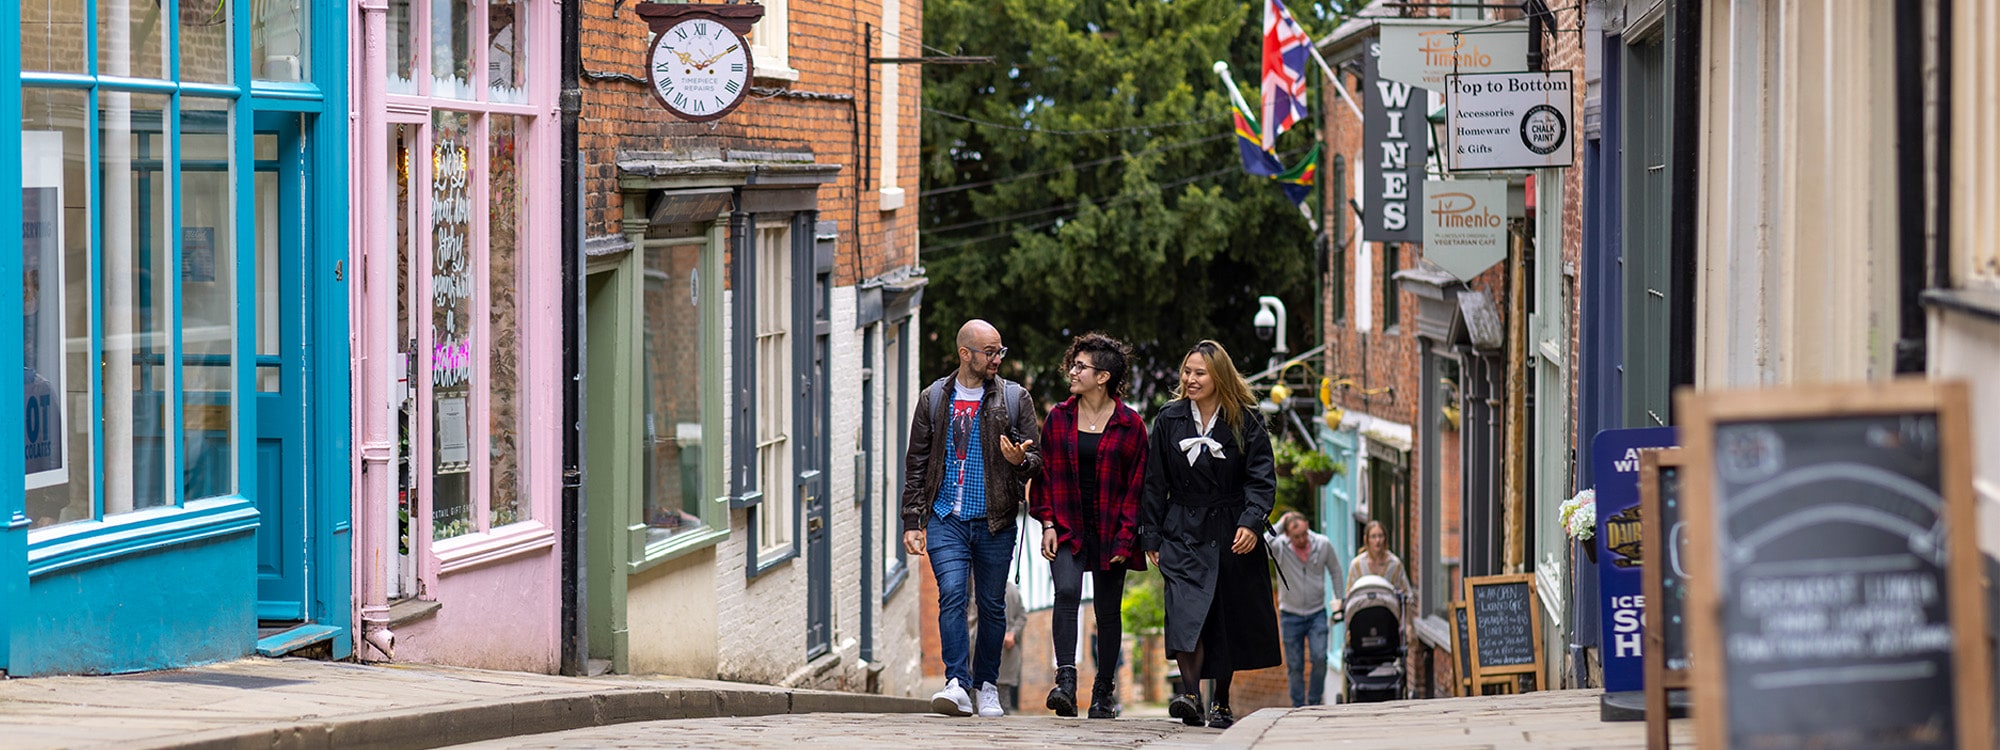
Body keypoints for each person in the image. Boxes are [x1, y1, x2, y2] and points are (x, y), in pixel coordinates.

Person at [902, 319, 1042, 718]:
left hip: (995, 519)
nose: (997, 358)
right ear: (966, 354)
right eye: (990, 352)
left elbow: (1036, 461)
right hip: (946, 516)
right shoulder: (933, 398)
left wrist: (1021, 461)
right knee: (952, 595)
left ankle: (987, 686)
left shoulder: (1016, 399)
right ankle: (957, 683)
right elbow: (917, 463)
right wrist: (913, 521)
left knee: (993, 606)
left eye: (1000, 351)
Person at [1139, 340, 1282, 729]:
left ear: (1218, 376)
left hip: (1230, 527)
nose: (1190, 379)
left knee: (1223, 615)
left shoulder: (1245, 419)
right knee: (1185, 611)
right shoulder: (1168, 419)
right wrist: (1151, 535)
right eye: (1187, 371)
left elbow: (1262, 478)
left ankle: (1220, 701)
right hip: (1182, 529)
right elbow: (1155, 482)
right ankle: (1189, 694)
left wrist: (1251, 522)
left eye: (1199, 373)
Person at [1029, 333, 1148, 719]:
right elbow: (1044, 475)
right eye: (1073, 364)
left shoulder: (1131, 426)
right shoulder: (1059, 418)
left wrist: (1127, 535)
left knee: (1107, 610)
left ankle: (1103, 693)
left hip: (1112, 528)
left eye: (1081, 366)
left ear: (1104, 377)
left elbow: (1137, 486)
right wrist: (1047, 521)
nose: (1072, 371)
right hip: (1066, 522)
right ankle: (1065, 681)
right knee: (1066, 591)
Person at [1263, 511, 1342, 707]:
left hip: (1316, 613)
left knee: (1319, 658)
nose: (1302, 539)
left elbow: (1336, 571)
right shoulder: (1280, 547)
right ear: (1288, 535)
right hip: (1290, 614)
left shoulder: (1322, 544)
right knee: (1295, 665)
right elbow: (1261, 546)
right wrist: (1280, 524)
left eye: (1304, 534)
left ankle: (1314, 702)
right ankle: (1298, 706)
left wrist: (1340, 600)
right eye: (1296, 536)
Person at [1347, 520, 1411, 596]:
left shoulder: (1395, 564)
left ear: (1385, 538)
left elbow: (1407, 593)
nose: (1377, 541)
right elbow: (1349, 593)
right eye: (1373, 536)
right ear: (1366, 539)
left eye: (1380, 536)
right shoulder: (1357, 565)